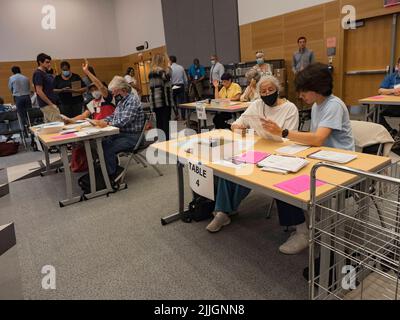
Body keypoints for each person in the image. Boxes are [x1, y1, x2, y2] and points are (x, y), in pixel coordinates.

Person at [262, 63, 354, 254]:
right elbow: (315, 141)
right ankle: (302, 229)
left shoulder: (334, 105)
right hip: (320, 157)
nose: (300, 95)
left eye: (304, 91)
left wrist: (284, 132)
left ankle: (304, 231)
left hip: (337, 163)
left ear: (317, 89)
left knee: (286, 180)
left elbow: (318, 139)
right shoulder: (317, 106)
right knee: (278, 174)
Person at [207, 75, 299, 233]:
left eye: (271, 90)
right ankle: (223, 211)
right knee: (228, 167)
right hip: (256, 148)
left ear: (278, 90)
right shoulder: (257, 105)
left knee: (247, 173)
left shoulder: (290, 108)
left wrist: (277, 131)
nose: (267, 93)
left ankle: (225, 210)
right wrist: (237, 128)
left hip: (279, 154)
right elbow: (238, 123)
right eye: (263, 91)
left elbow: (290, 139)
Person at [91, 75, 145, 181]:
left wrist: (107, 124)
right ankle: (109, 170)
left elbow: (124, 121)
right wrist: (103, 121)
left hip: (134, 137)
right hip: (123, 134)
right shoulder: (122, 102)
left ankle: (111, 176)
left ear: (123, 89)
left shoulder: (132, 100)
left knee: (107, 149)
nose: (113, 94)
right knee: (102, 144)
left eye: (115, 91)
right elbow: (114, 116)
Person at [148, 54, 173, 141]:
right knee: (166, 122)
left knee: (159, 122)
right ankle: (166, 142)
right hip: (163, 100)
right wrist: (169, 66)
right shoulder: (160, 71)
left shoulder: (151, 72)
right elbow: (168, 77)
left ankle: (162, 141)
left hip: (155, 101)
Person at [32, 53, 62, 123]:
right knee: (58, 125)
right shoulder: (38, 73)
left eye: (49, 62)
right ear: (40, 62)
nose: (49, 64)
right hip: (47, 105)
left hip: (50, 104)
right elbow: (39, 91)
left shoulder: (45, 73)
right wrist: (51, 104)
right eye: (47, 62)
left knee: (50, 128)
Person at [377, 57, 400, 136]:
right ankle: (390, 132)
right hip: (391, 106)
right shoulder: (391, 77)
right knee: (374, 112)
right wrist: (393, 91)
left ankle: (398, 137)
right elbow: (380, 90)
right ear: (398, 65)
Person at [170, 55, 188, 120]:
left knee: (173, 102)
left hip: (173, 86)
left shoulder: (169, 68)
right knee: (182, 102)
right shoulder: (181, 67)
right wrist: (186, 86)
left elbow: (169, 79)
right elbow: (185, 79)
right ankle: (183, 117)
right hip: (181, 86)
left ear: (170, 61)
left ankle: (177, 115)